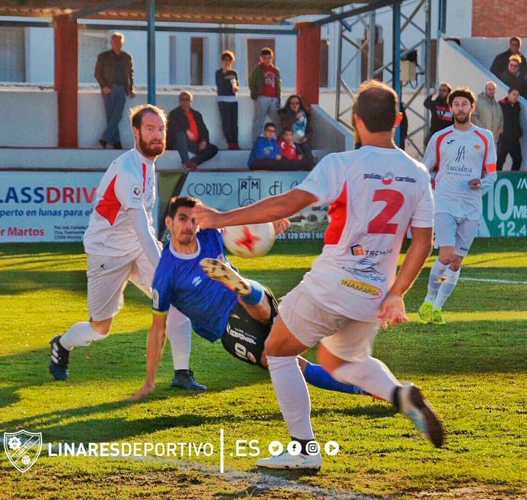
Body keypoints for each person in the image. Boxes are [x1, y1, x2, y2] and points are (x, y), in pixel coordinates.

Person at [194, 80, 444, 470]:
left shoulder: (343, 164)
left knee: (276, 351)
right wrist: (396, 293)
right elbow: (423, 243)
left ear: (355, 120)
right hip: (373, 293)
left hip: (332, 284)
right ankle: (399, 393)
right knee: (339, 361)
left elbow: (286, 203)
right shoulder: (416, 172)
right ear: (397, 119)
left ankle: (303, 450)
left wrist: (222, 218)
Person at [130, 196, 371, 401]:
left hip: (238, 313)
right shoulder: (165, 274)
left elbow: (241, 227)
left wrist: (266, 228)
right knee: (284, 360)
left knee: (259, 324)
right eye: (183, 219)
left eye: (194, 220)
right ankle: (368, 386)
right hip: (228, 321)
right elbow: (157, 329)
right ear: (169, 222)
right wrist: (149, 381)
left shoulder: (210, 233)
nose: (189, 225)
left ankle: (242, 288)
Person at [49, 105, 204, 391]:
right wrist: (167, 268)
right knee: (100, 328)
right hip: (107, 253)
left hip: (138, 247)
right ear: (135, 132)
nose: (157, 135)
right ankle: (61, 343)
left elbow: (143, 232)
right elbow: (143, 228)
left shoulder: (148, 164)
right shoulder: (128, 170)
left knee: (176, 303)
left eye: (161, 130)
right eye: (150, 129)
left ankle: (182, 373)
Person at [419, 87, 497, 325]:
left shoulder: (485, 137)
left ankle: (437, 310)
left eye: (465, 104)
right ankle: (428, 301)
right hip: (444, 203)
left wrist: (480, 183)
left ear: (472, 108)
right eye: (457, 105)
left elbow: (492, 175)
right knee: (446, 254)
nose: (460, 108)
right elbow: (425, 170)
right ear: (450, 108)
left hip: (471, 206)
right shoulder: (440, 137)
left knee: (457, 261)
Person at [94, 32, 134, 150]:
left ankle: (105, 139)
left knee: (117, 115)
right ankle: (116, 142)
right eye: (115, 41)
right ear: (111, 43)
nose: (117, 44)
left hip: (122, 88)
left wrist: (130, 88)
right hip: (109, 89)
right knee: (111, 115)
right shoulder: (103, 56)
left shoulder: (126, 57)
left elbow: (130, 74)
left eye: (119, 41)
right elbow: (97, 73)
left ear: (122, 43)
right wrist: (104, 86)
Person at [166, 92, 219, 170]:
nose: (185, 102)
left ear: (191, 101)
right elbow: (173, 127)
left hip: (195, 144)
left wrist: (204, 141)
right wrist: (186, 131)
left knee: (213, 148)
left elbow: (204, 130)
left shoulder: (197, 114)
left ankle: (193, 162)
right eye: (182, 99)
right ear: (179, 101)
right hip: (180, 144)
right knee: (181, 135)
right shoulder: (174, 114)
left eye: (187, 99)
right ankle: (186, 161)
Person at [249, 47, 282, 142]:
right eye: (265, 58)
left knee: (277, 119)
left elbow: (278, 84)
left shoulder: (275, 70)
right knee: (259, 119)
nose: (267, 60)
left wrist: (278, 97)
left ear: (272, 58)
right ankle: (255, 140)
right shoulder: (258, 70)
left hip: (273, 98)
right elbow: (252, 82)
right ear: (261, 58)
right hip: (262, 96)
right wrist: (255, 94)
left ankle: (279, 139)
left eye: (269, 58)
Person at [215, 50, 240, 150]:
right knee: (226, 122)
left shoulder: (233, 73)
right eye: (225, 60)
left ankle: (235, 142)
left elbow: (236, 84)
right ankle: (230, 142)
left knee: (234, 122)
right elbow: (219, 84)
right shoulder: (218, 72)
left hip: (232, 99)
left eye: (229, 60)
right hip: (222, 99)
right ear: (222, 61)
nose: (227, 62)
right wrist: (224, 72)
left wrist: (235, 87)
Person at [278, 95, 314, 162]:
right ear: (289, 105)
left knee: (306, 148)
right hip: (289, 139)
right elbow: (285, 126)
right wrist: (295, 118)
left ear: (300, 104)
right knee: (297, 151)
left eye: (296, 103)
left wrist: (306, 137)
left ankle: (309, 166)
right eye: (292, 104)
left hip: (302, 138)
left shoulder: (304, 114)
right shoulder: (284, 114)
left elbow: (309, 129)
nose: (294, 105)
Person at [497, 88, 523, 171]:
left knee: (518, 159)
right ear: (509, 94)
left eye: (517, 95)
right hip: (504, 138)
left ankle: (513, 178)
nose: (515, 97)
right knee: (500, 160)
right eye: (514, 94)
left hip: (514, 138)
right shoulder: (501, 104)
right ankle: (496, 179)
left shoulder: (517, 106)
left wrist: (519, 132)